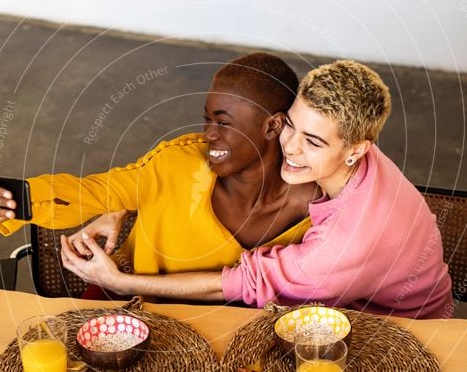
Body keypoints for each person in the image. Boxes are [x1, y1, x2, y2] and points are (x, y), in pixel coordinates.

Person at [59, 59, 453, 319]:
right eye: (291, 126)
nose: (291, 149)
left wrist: (121, 283)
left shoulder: (345, 245)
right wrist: (127, 206)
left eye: (313, 143)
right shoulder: (350, 149)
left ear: (357, 150)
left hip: (397, 331)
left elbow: (237, 286)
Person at [0, 53, 319, 278]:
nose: (208, 134)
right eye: (206, 119)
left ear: (272, 125)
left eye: (223, 123)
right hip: (143, 316)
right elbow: (92, 193)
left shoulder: (319, 197)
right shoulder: (177, 165)